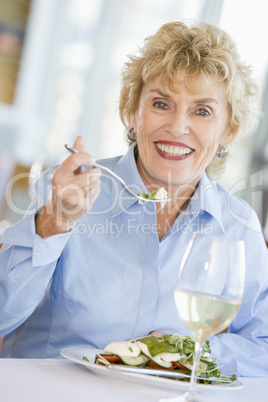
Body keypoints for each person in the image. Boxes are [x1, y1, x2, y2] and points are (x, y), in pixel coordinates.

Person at [0, 21, 267, 377]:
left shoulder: (238, 226)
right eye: (161, 103)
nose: (177, 126)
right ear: (132, 112)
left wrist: (189, 353)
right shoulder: (68, 191)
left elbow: (262, 344)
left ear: (229, 130)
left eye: (202, 111)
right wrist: (52, 223)